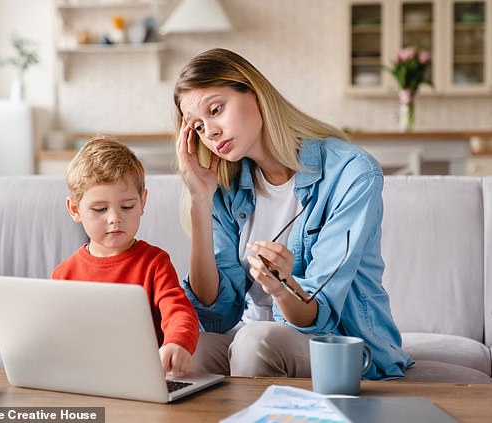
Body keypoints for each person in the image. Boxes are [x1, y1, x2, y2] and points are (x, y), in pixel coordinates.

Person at [173, 48, 413, 380]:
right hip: (251, 336)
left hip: (339, 344)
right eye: (198, 127)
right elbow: (217, 315)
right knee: (184, 351)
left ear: (255, 94)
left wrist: (281, 287)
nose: (210, 133)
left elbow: (319, 313)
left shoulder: (350, 173)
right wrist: (200, 200)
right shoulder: (224, 185)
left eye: (216, 110)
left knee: (255, 342)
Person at [52, 136, 199, 377]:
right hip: (84, 377)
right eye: (100, 209)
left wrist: (178, 342)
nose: (114, 218)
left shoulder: (155, 263)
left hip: (142, 376)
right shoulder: (63, 273)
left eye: (127, 206)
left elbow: (179, 310)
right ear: (75, 210)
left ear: (143, 202)